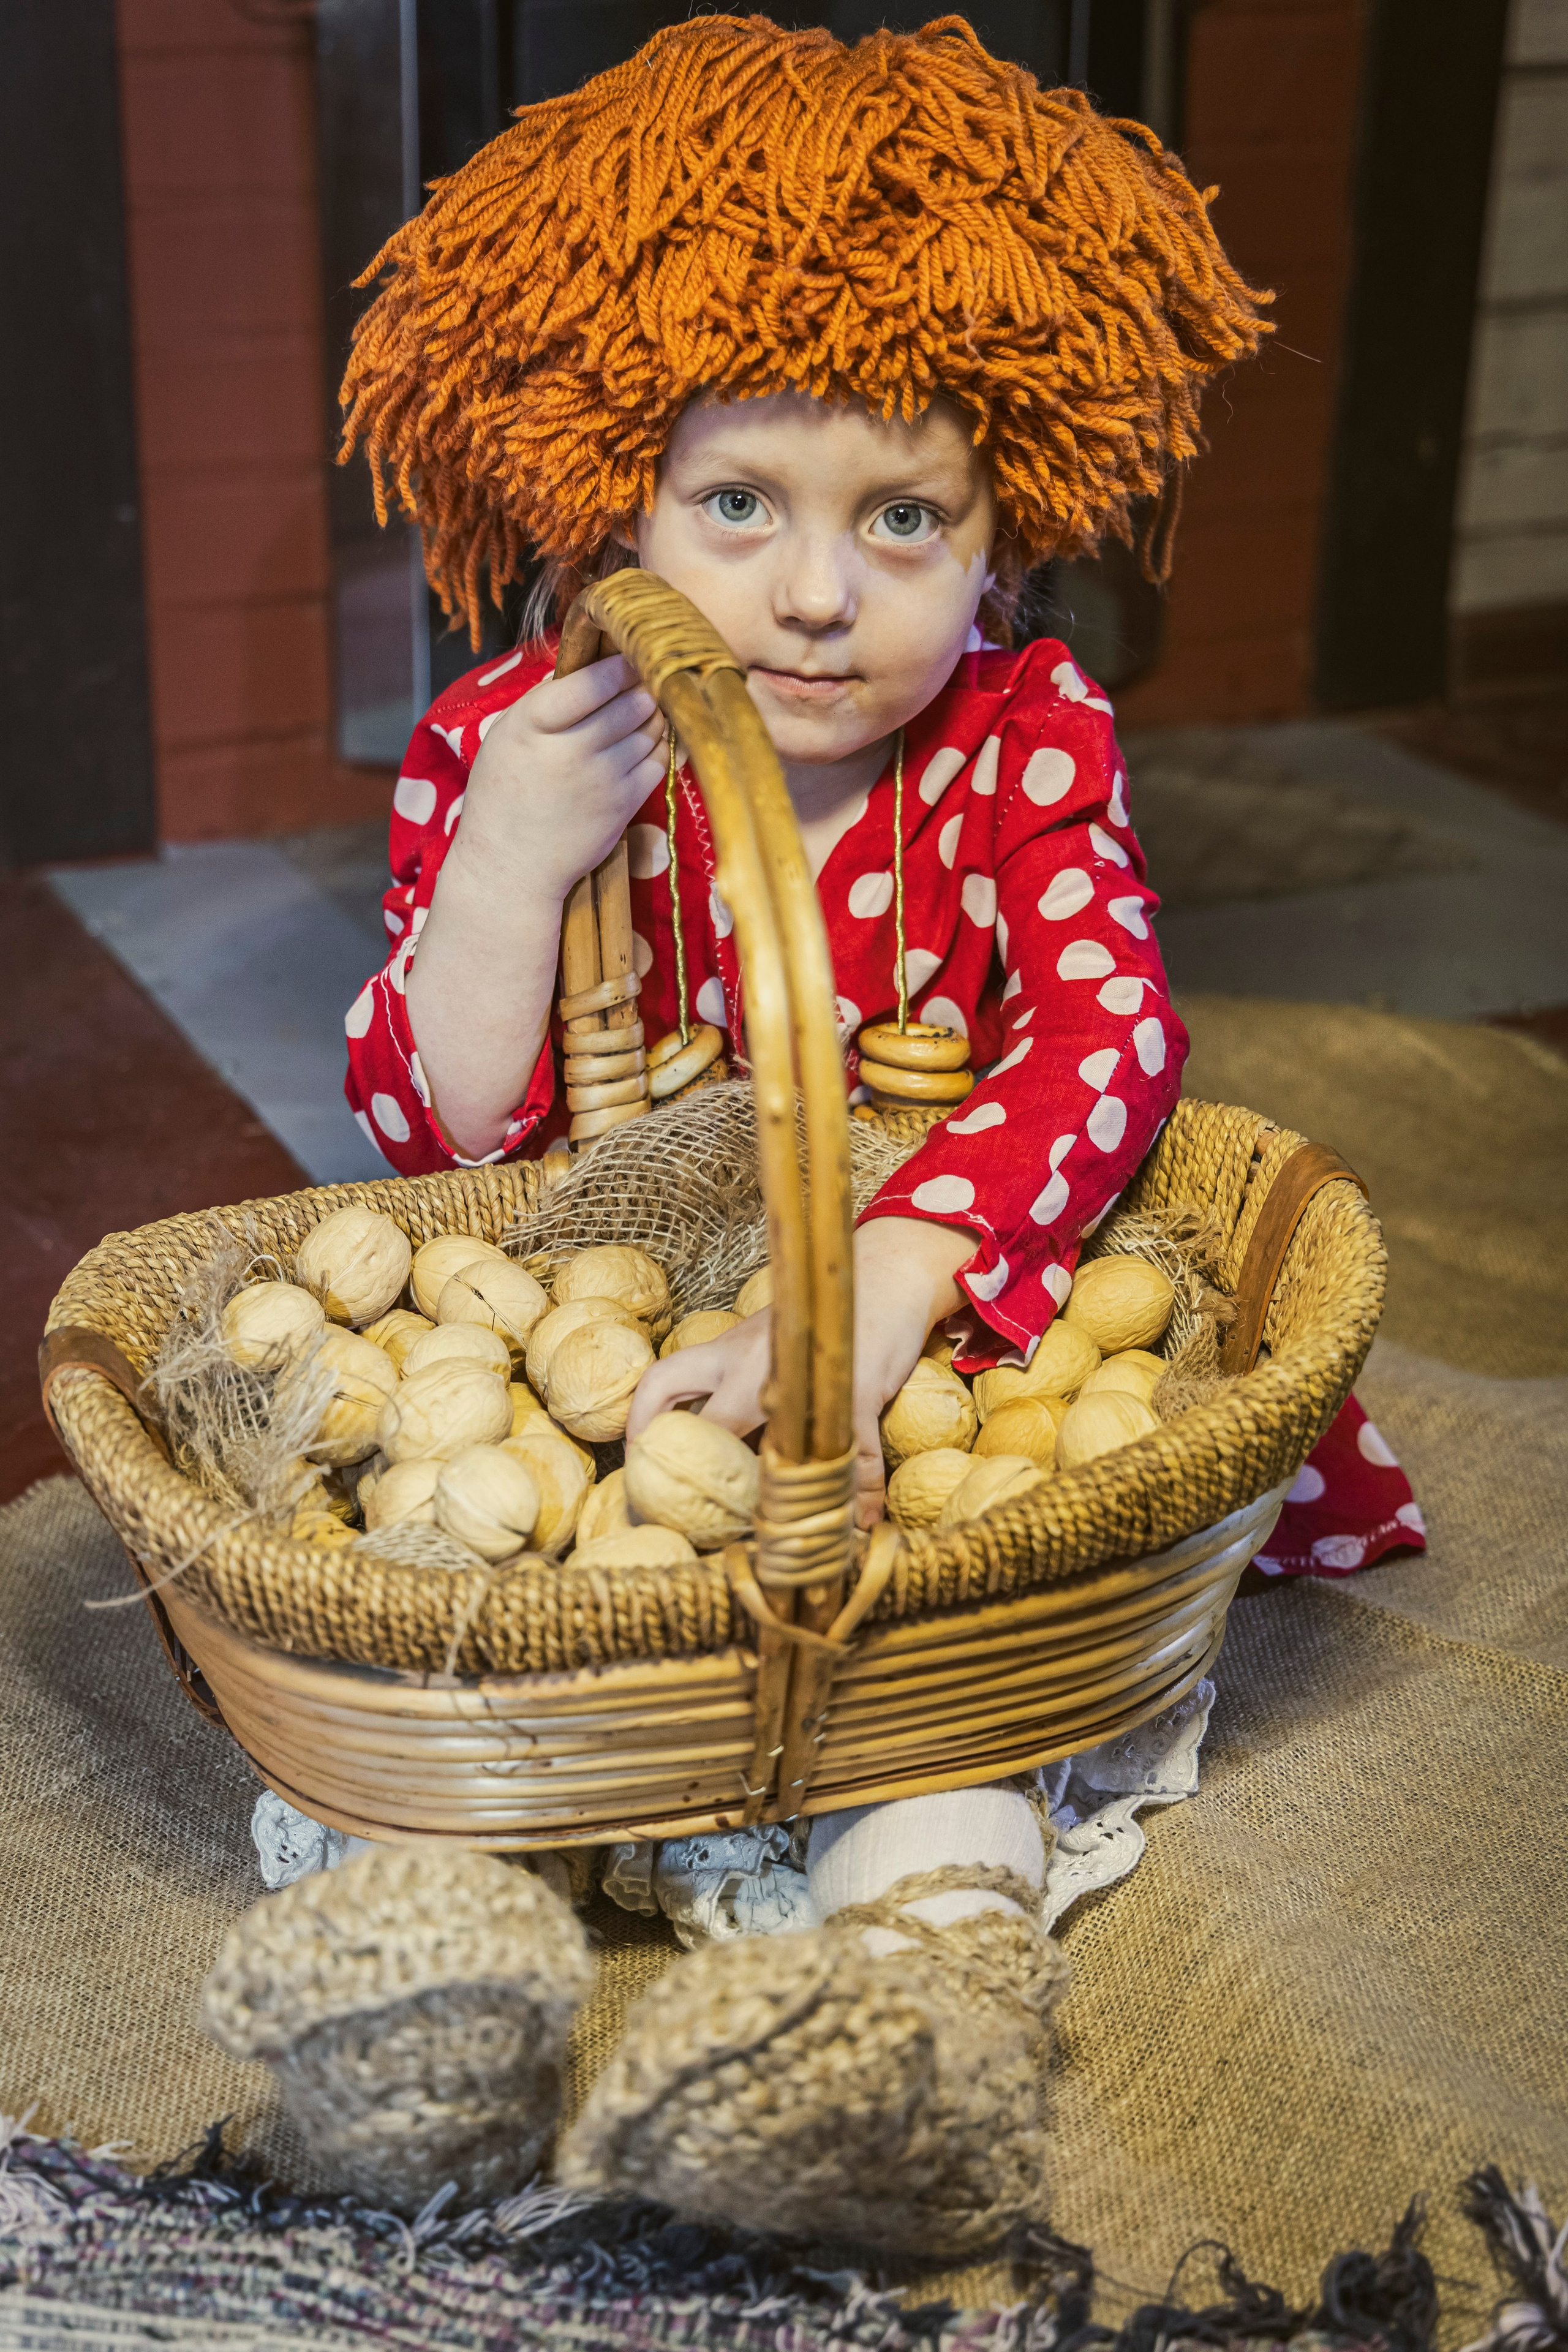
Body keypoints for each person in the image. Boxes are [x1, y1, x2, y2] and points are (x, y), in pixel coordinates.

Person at [209, 13, 1422, 2249]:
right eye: (739, 504)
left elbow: (1110, 1038)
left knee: (935, 1663)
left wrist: (881, 1283)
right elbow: (428, 1135)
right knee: (465, 1634)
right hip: (601, 1319)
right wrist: (507, 871)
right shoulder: (524, 735)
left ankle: (906, 2023)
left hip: (931, 1305)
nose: (817, 592)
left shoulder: (1021, 735)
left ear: (1005, 532)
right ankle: (433, 2008)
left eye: (905, 518)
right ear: (617, 500)